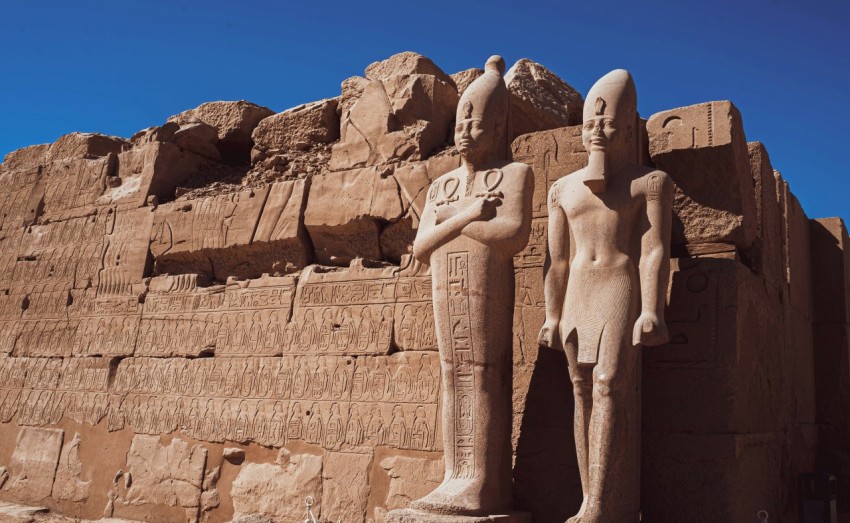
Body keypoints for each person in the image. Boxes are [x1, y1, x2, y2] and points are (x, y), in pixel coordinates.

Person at [538, 69, 672, 523]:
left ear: (629, 127)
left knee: (608, 385)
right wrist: (551, 315)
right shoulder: (562, 188)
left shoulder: (649, 183)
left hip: (619, 285)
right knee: (580, 391)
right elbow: (556, 261)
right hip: (578, 289)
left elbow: (653, 251)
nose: (597, 128)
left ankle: (601, 504)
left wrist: (651, 309)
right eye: (590, 121)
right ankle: (588, 497)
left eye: (608, 120)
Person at [405, 55, 533, 517]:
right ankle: (453, 476)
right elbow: (422, 247)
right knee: (451, 374)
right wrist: (469, 214)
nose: (465, 128)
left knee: (482, 373)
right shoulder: (441, 188)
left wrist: (459, 222)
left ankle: (480, 481)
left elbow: (511, 234)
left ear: (498, 126)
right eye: (461, 119)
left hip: (486, 285)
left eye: (476, 120)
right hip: (447, 285)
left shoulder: (514, 174)